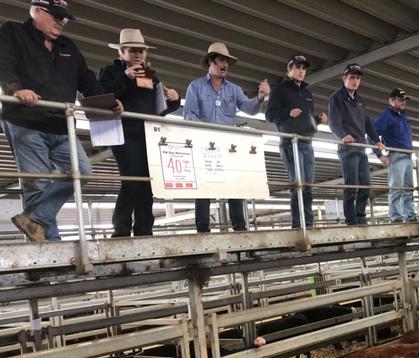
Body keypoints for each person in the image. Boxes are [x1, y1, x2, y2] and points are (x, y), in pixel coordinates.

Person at [0, 0, 123, 241]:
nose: (60, 22)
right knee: (38, 184)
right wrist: (16, 89)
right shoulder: (13, 32)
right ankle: (50, 245)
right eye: (55, 15)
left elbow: (87, 81)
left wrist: (108, 103)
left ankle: (33, 220)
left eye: (63, 18)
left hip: (62, 125)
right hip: (26, 121)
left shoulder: (69, 47)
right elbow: (3, 63)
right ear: (36, 11)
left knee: (82, 171)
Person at [98, 29, 180, 237]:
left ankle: (144, 229)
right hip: (123, 132)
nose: (138, 55)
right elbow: (103, 97)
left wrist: (174, 101)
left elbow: (159, 109)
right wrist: (125, 77)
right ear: (122, 52)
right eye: (133, 50)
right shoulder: (109, 72)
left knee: (147, 182)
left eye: (141, 51)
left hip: (149, 134)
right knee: (132, 179)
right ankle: (121, 228)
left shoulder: (151, 76)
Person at [183, 42, 270, 232]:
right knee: (204, 186)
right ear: (210, 62)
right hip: (204, 144)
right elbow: (189, 114)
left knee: (234, 185)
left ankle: (240, 227)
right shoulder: (195, 86)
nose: (225, 65)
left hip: (228, 145)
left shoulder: (234, 89)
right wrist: (208, 132)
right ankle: (203, 230)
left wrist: (261, 98)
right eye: (222, 60)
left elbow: (249, 107)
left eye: (227, 62)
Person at [266, 55, 327, 229]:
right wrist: (287, 112)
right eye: (297, 67)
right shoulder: (279, 90)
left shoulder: (307, 93)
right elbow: (269, 115)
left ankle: (308, 221)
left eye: (303, 68)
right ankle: (298, 223)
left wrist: (317, 119)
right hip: (290, 142)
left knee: (308, 185)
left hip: (307, 142)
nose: (301, 71)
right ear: (289, 68)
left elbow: (306, 119)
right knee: (297, 184)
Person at [328, 64, 385, 226]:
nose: (355, 81)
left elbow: (367, 123)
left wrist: (377, 140)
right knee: (351, 185)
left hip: (361, 148)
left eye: (358, 78)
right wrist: (342, 135)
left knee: (366, 185)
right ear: (344, 78)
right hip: (347, 147)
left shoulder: (360, 100)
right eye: (352, 77)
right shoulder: (336, 97)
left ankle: (360, 216)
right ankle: (351, 220)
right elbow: (333, 121)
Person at [374, 87, 417, 223]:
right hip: (396, 155)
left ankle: (410, 216)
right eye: (400, 100)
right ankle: (396, 217)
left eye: (404, 100)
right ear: (391, 100)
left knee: (408, 189)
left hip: (408, 156)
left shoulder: (403, 115)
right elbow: (372, 133)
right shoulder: (386, 116)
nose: (403, 102)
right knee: (396, 188)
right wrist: (379, 154)